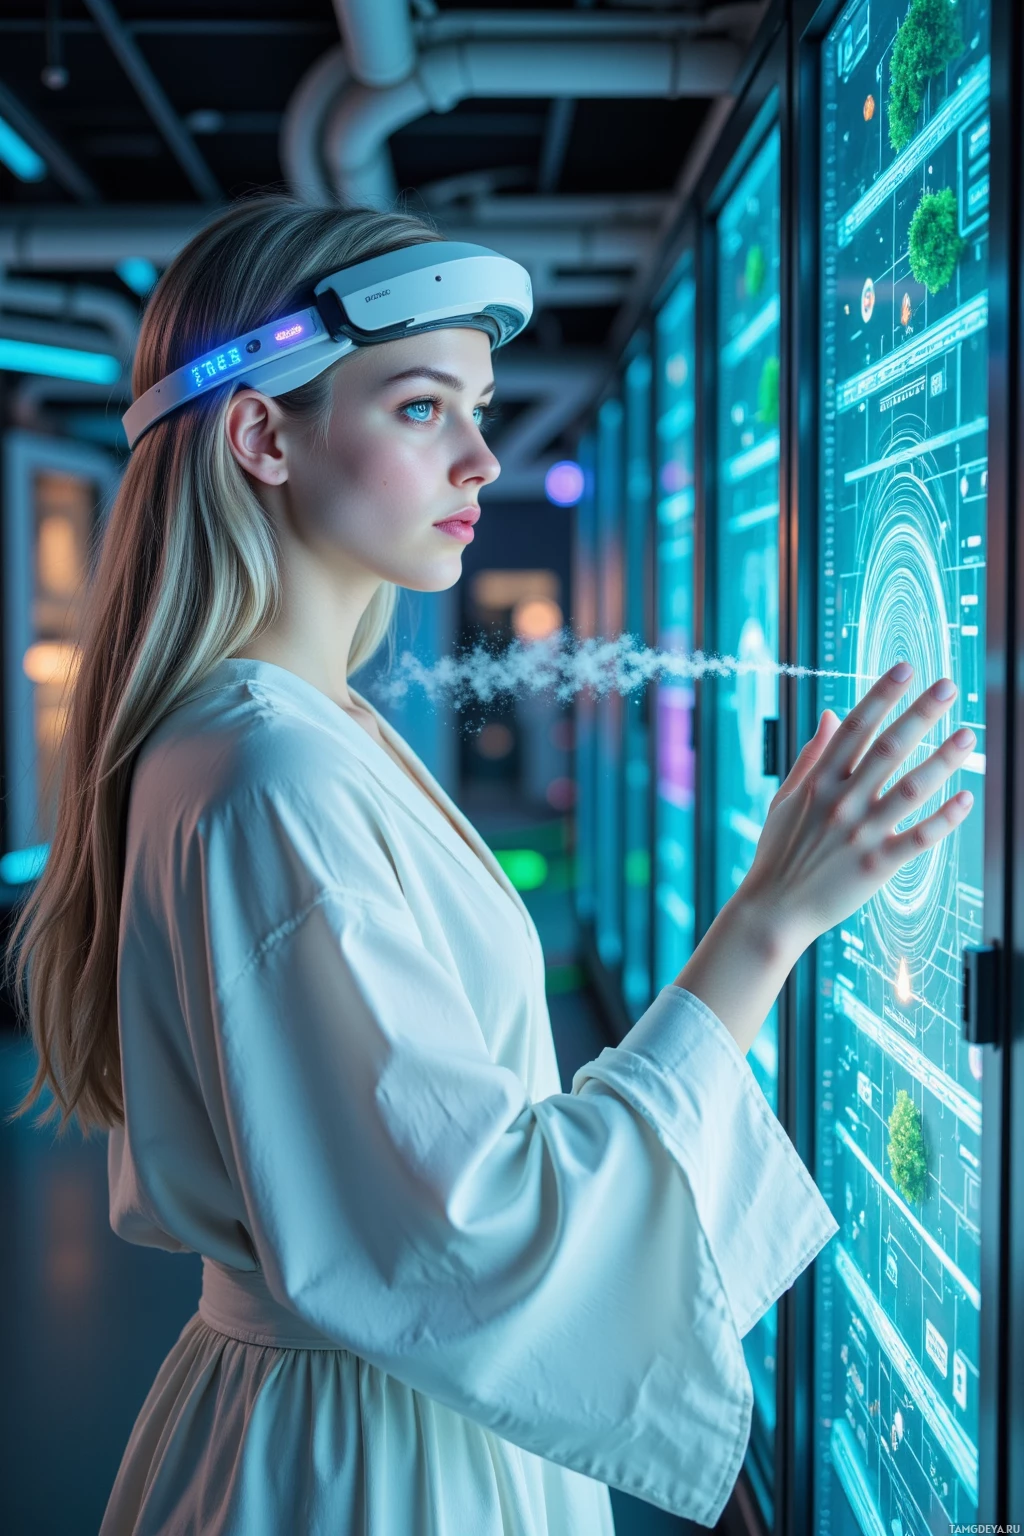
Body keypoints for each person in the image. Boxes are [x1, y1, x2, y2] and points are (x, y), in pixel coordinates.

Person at [4, 195, 975, 1536]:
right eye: (422, 408)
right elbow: (471, 1237)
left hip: (380, 1423)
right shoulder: (266, 772)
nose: (482, 459)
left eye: (480, 405)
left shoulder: (298, 731)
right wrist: (771, 918)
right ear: (259, 435)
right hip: (372, 1468)